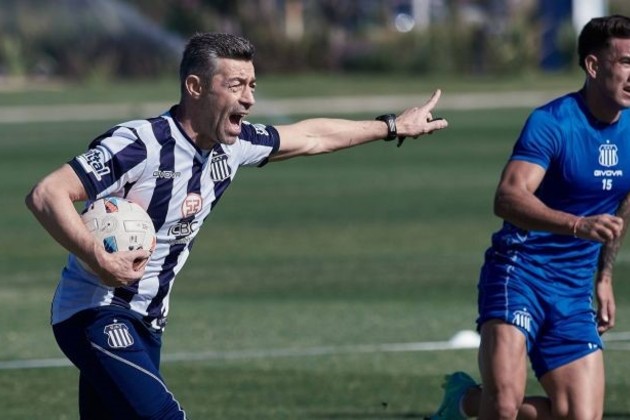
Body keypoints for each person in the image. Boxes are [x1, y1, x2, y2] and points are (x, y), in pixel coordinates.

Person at [25, 32, 447, 419]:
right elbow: (47, 194)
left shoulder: (234, 145)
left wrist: (392, 126)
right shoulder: (140, 145)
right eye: (235, 85)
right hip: (95, 312)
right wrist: (98, 257)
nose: (248, 99)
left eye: (252, 86)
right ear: (195, 87)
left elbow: (312, 136)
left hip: (148, 321)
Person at [429, 14, 630, 420]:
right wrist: (576, 225)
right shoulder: (552, 122)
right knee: (504, 405)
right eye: (626, 62)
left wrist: (605, 276)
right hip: (520, 274)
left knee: (581, 417)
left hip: (573, 288)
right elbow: (508, 197)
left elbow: (622, 204)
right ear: (594, 66)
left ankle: (468, 403)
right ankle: (468, 404)